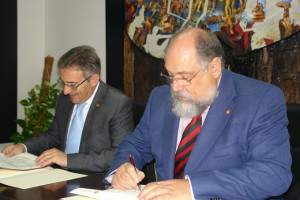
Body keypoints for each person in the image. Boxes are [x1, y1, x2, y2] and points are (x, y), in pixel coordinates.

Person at [103, 28, 292, 199]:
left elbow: (273, 174)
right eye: (170, 75)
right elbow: (136, 144)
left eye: (185, 77)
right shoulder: (160, 98)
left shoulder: (260, 100)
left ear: (214, 68)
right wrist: (123, 168)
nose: (175, 87)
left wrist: (192, 188)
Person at [2, 45, 134, 173]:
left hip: (95, 180)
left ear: (93, 80)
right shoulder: (64, 99)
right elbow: (53, 136)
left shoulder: (117, 104)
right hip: (61, 176)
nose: (66, 91)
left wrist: (68, 160)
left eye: (72, 85)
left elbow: (120, 153)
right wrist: (24, 147)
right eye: (63, 83)